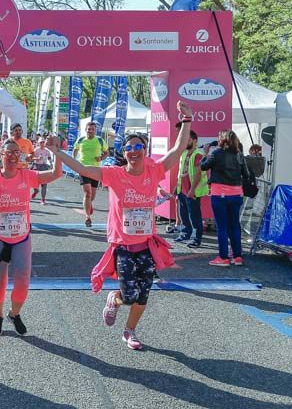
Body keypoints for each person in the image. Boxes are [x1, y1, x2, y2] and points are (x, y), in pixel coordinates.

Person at [55, 101, 194, 351]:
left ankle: (130, 331)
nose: (134, 150)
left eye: (138, 146)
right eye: (129, 148)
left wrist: (187, 121)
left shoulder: (153, 171)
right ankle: (115, 298)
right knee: (129, 295)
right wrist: (57, 152)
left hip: (147, 245)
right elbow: (82, 168)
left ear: (144, 149)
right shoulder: (115, 175)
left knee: (144, 294)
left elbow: (178, 149)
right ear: (124, 153)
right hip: (123, 246)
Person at [0, 134, 62, 336]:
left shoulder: (26, 175)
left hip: (21, 237)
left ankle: (14, 313)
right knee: (0, 280)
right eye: (8, 152)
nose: (12, 156)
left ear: (20, 155)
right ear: (1, 154)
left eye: (16, 152)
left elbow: (55, 174)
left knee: (23, 279)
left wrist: (57, 152)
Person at [200, 130, 252, 267]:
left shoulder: (216, 152)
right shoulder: (239, 154)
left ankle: (223, 257)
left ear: (222, 139)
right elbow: (246, 174)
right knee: (235, 225)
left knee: (222, 226)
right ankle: (237, 256)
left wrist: (205, 153)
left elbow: (203, 166)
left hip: (220, 194)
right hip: (237, 194)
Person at [173, 126, 207, 248]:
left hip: (193, 191)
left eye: (188, 139)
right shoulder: (184, 152)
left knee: (194, 215)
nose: (185, 142)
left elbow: (198, 173)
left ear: (194, 140)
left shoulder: (198, 154)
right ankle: (185, 233)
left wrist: (192, 190)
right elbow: (181, 172)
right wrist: (177, 188)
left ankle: (197, 238)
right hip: (182, 189)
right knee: (183, 213)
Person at [72, 121, 108, 227]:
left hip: (95, 170)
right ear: (86, 130)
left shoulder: (100, 140)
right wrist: (74, 162)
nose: (90, 131)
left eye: (92, 129)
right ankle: (87, 217)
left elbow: (107, 152)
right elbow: (75, 150)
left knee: (92, 195)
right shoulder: (81, 139)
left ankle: (89, 204)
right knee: (87, 193)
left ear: (95, 130)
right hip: (83, 168)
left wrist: (101, 157)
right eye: (89, 129)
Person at [30, 135, 55, 204]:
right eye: (41, 142)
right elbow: (30, 159)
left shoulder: (47, 151)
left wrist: (51, 164)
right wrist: (37, 159)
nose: (42, 144)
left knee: (44, 183)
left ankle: (43, 199)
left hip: (44, 166)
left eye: (43, 142)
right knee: (34, 183)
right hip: (36, 166)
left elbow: (49, 158)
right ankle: (35, 191)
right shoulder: (36, 150)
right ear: (38, 143)